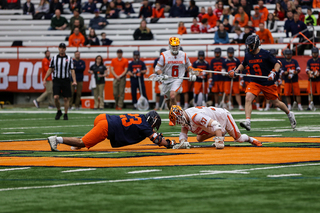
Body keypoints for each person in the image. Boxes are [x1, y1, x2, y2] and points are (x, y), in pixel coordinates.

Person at [230, 35, 296, 131]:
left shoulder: (265, 54)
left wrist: (273, 72)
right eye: (248, 45)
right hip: (255, 82)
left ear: (256, 44)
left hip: (267, 82)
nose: (249, 47)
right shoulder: (248, 55)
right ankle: (248, 122)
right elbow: (244, 64)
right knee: (248, 98)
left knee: (276, 103)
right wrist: (236, 71)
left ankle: (289, 114)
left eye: (251, 45)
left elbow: (278, 63)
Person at [47, 111, 175, 151]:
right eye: (154, 125)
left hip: (103, 117)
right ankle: (57, 139)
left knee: (88, 139)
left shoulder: (140, 117)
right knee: (82, 142)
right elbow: (157, 140)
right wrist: (170, 144)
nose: (153, 128)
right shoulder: (145, 126)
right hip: (107, 126)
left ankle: (79, 143)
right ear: (152, 121)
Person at [168, 105, 262, 150]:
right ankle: (222, 132)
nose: (178, 122)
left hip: (222, 116)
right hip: (214, 120)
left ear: (180, 115)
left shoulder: (196, 117)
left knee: (239, 139)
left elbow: (216, 124)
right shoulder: (186, 117)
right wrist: (182, 142)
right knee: (199, 138)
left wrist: (219, 141)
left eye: (177, 120)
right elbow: (183, 133)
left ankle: (251, 139)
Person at [154, 37, 201, 114]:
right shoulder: (164, 55)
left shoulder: (183, 55)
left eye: (176, 46)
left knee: (173, 96)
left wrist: (192, 72)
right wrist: (161, 74)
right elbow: (157, 68)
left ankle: (176, 115)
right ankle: (172, 114)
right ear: (169, 45)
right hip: (166, 80)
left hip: (177, 79)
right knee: (169, 101)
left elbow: (189, 66)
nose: (175, 48)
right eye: (173, 46)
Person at [43, 43, 77, 120]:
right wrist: (45, 78)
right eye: (60, 48)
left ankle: (65, 113)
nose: (62, 49)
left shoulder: (69, 58)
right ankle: (59, 111)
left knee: (66, 98)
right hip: (57, 79)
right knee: (56, 97)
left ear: (65, 49)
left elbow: (72, 70)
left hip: (66, 79)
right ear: (58, 49)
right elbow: (50, 69)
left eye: (63, 48)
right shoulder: (54, 58)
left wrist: (74, 80)